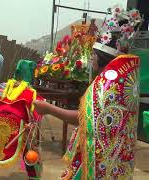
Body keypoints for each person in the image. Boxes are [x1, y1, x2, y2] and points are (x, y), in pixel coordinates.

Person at [34, 31, 140, 180]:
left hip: (98, 161)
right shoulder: (119, 82)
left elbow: (85, 118)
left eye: (94, 55)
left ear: (102, 58)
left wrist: (48, 109)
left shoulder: (107, 86)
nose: (91, 58)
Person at [0, 60, 43, 180]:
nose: (18, 79)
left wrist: (32, 123)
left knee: (25, 149)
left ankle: (33, 177)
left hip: (17, 125)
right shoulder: (3, 86)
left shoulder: (31, 92)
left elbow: (38, 109)